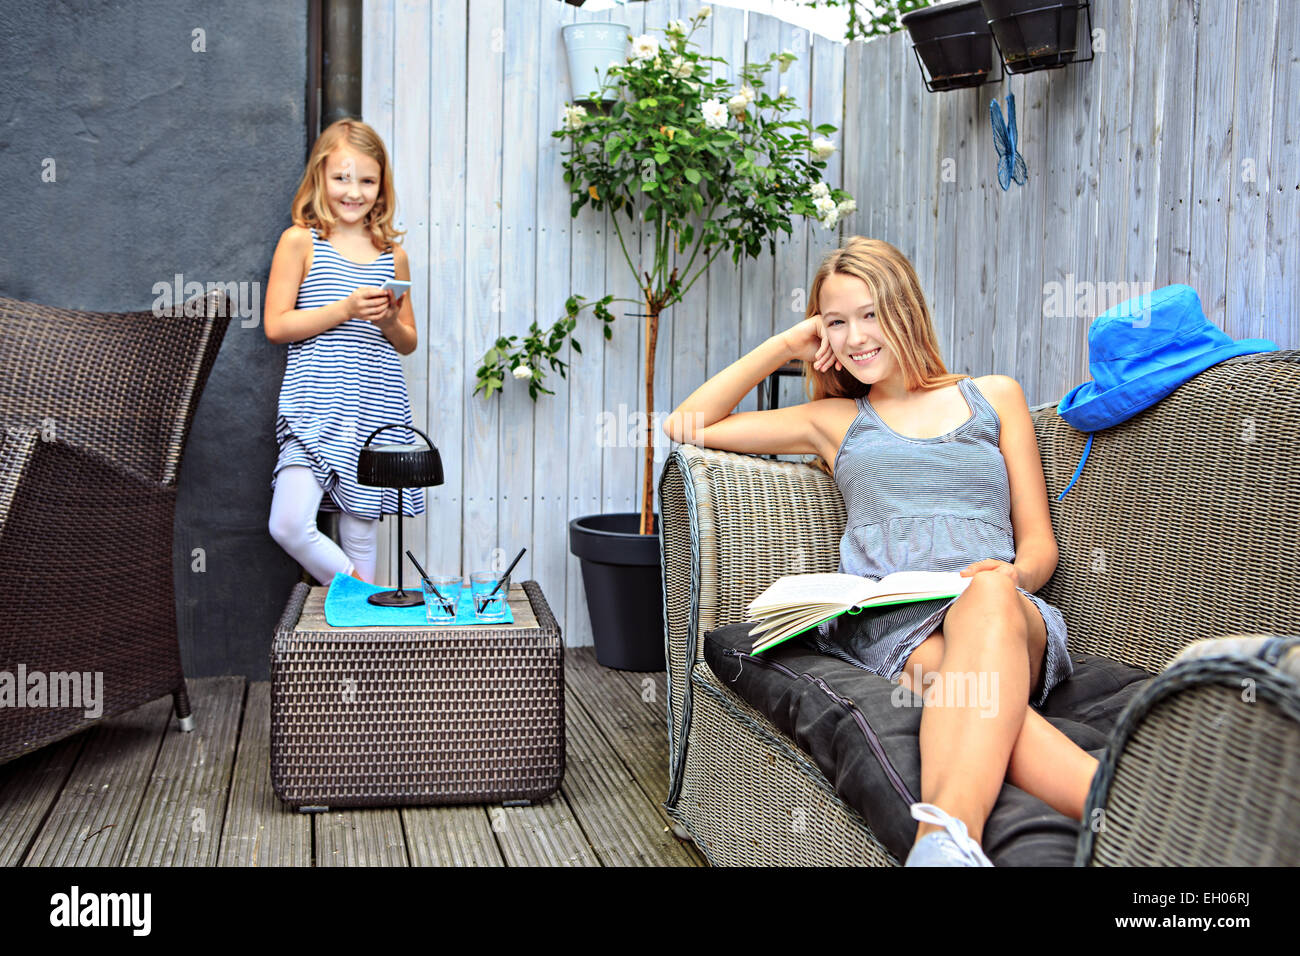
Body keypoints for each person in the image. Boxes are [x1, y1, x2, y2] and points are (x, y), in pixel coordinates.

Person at [662, 236, 1099, 866]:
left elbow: (1038, 542)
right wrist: (789, 343)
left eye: (870, 314)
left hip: (1002, 608)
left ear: (906, 311)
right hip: (894, 625)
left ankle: (942, 838)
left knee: (987, 600)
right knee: (952, 678)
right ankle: (964, 837)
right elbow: (687, 425)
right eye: (836, 322)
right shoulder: (835, 419)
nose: (856, 336)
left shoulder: (994, 397)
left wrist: (1010, 574)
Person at [264, 118, 423, 587]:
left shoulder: (391, 254)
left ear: (381, 185)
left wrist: (390, 320)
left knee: (360, 532)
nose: (353, 192)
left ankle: (362, 643)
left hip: (375, 405)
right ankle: (369, 599)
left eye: (367, 181)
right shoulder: (300, 242)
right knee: (289, 524)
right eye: (341, 178)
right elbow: (276, 325)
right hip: (314, 404)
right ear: (320, 177)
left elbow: (409, 341)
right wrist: (346, 308)